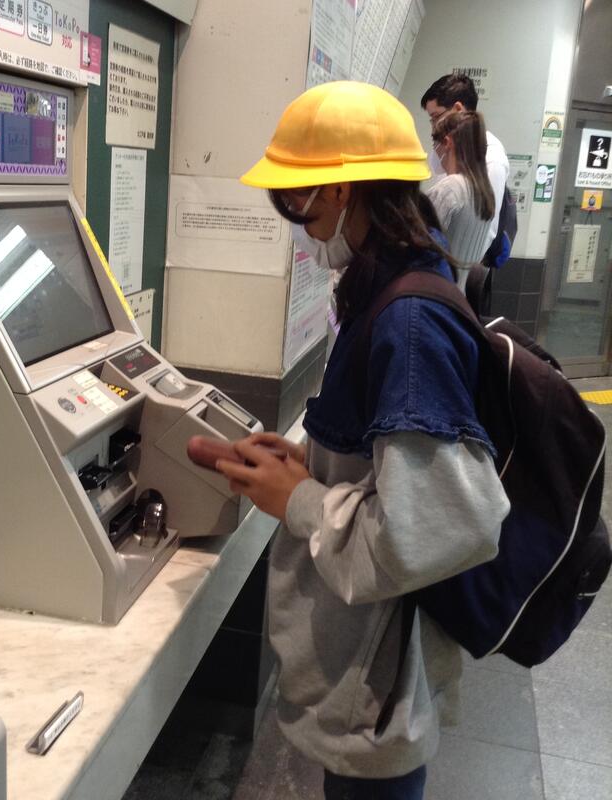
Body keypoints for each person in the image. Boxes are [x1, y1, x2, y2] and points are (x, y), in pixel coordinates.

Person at [219, 81, 509, 800]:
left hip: (378, 684)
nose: (298, 220)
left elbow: (425, 531)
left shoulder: (408, 323)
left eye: (297, 199)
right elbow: (389, 465)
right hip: (367, 672)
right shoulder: (390, 283)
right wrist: (309, 466)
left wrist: (300, 499)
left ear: (342, 189)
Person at [420, 74, 509, 251]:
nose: (433, 126)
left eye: (435, 117)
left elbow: (485, 234)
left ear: (458, 109)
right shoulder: (456, 148)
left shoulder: (492, 159)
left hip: (456, 261)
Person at [426, 110, 495, 290]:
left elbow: (420, 247)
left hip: (435, 292)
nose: (435, 150)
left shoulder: (450, 188)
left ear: (447, 142)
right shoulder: (484, 192)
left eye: (435, 143)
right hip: (458, 296)